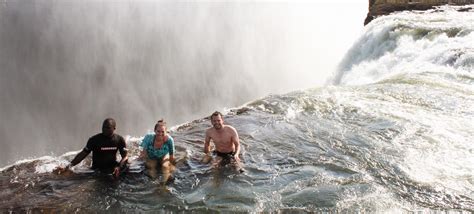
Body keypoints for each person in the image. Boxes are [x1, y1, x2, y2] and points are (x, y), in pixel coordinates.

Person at [55, 118, 128, 178]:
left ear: (114, 128)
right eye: (103, 127)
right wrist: (68, 166)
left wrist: (119, 167)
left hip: (112, 169)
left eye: (108, 128)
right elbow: (83, 154)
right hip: (96, 170)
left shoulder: (119, 139)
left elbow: (125, 157)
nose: (104, 129)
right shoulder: (94, 140)